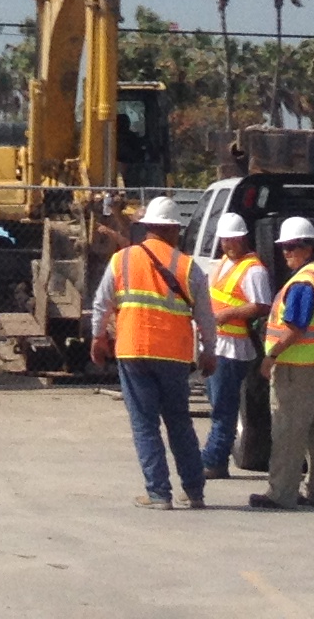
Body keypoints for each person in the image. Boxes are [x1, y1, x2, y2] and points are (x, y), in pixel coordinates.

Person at [90, 195, 217, 510]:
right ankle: (194, 491)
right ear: (175, 230)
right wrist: (209, 350)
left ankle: (159, 493)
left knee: (145, 423)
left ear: (147, 228)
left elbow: (101, 303)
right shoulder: (189, 267)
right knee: (179, 422)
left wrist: (97, 338)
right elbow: (206, 316)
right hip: (174, 355)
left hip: (133, 350)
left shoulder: (122, 260)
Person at [251, 214, 314, 510]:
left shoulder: (304, 282)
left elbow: (295, 327)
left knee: (288, 431)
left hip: (298, 368)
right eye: (284, 247)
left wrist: (271, 356)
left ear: (308, 248)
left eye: (292, 247)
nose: (286, 253)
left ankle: (281, 494)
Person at [200, 212, 268, 480]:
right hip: (217, 344)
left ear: (243, 239)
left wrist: (228, 315)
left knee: (224, 408)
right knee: (217, 404)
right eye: (224, 240)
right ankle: (213, 457)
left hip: (233, 348)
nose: (227, 245)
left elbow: (261, 305)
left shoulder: (254, 270)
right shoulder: (224, 263)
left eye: (232, 240)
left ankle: (214, 460)